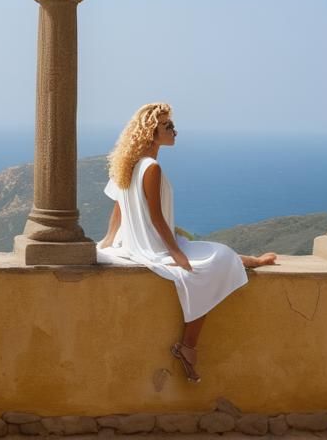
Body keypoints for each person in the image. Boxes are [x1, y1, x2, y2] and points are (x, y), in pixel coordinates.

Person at [96, 102, 277, 383]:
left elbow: (118, 208)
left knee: (218, 253)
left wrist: (109, 239)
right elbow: (156, 218)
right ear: (151, 132)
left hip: (138, 242)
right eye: (168, 126)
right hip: (155, 245)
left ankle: (253, 260)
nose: (174, 131)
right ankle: (188, 347)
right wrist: (176, 253)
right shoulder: (151, 168)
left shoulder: (129, 164)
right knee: (206, 267)